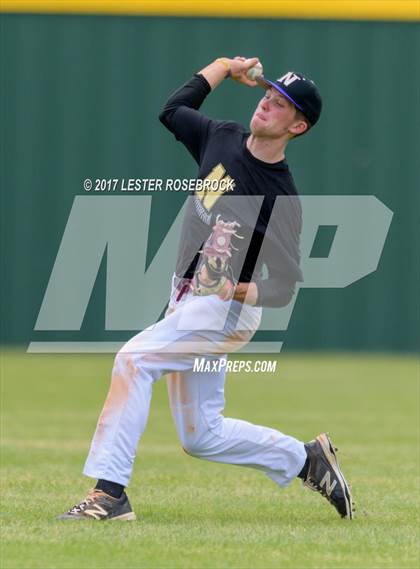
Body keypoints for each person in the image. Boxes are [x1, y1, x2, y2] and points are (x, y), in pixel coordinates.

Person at [58, 56, 354, 521]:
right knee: (202, 435)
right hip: (186, 299)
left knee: (133, 361)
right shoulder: (223, 136)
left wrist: (243, 291)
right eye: (268, 96)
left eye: (282, 106)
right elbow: (174, 109)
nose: (267, 106)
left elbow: (284, 287)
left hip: (224, 308)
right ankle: (306, 459)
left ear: (298, 127)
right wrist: (223, 66)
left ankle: (109, 494)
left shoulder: (280, 195)